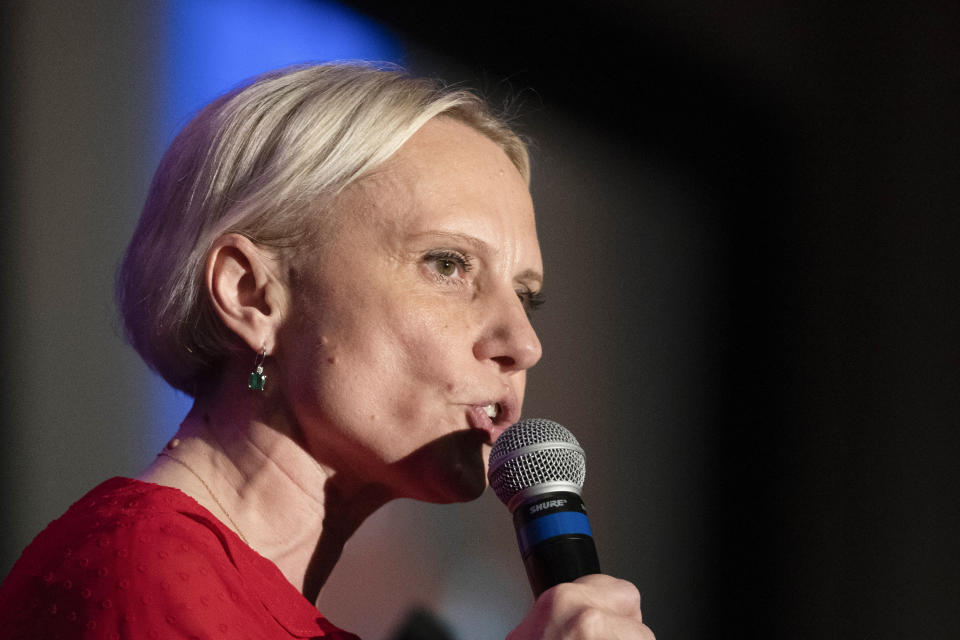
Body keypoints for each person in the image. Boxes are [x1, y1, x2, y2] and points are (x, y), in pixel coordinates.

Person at [0, 63, 653, 639]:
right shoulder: (143, 568)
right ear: (252, 294)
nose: (524, 343)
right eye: (448, 264)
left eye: (526, 295)